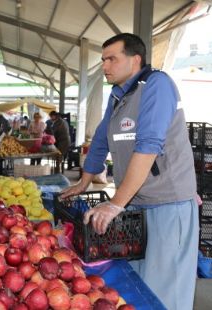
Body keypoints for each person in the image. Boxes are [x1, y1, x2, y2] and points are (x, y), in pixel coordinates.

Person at [61, 33, 198, 310]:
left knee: (167, 287)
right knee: (142, 283)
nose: (105, 65)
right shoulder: (118, 96)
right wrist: (84, 181)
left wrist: (114, 204)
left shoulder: (157, 86)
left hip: (167, 204)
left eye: (112, 58)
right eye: (102, 59)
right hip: (137, 205)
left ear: (135, 60)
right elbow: (101, 140)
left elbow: (148, 147)